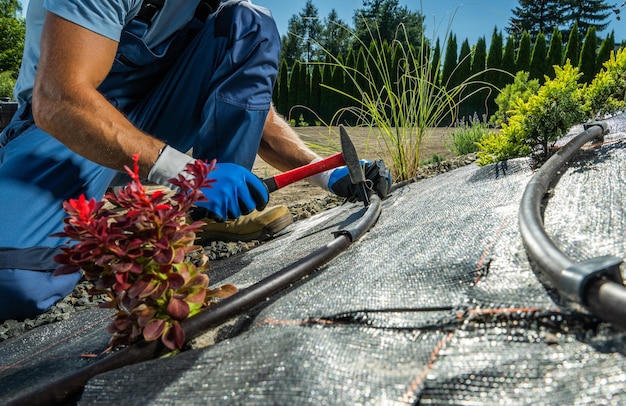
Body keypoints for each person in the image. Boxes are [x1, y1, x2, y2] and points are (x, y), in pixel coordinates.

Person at [0, 0, 391, 321]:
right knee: (17, 281)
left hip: (151, 116)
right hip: (61, 128)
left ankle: (213, 216)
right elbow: (58, 99)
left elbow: (248, 109)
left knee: (251, 25)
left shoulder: (217, 7)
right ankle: (125, 210)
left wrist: (328, 171)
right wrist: (188, 173)